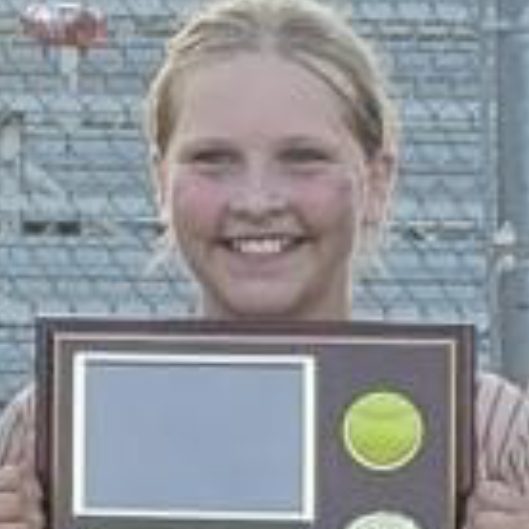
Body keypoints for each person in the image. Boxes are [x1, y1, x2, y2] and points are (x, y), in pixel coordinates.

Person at [0, 0, 528, 528]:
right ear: (161, 182)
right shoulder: (48, 430)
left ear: (377, 181)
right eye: (213, 160)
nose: (256, 201)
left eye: (303, 159)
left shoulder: (489, 436)